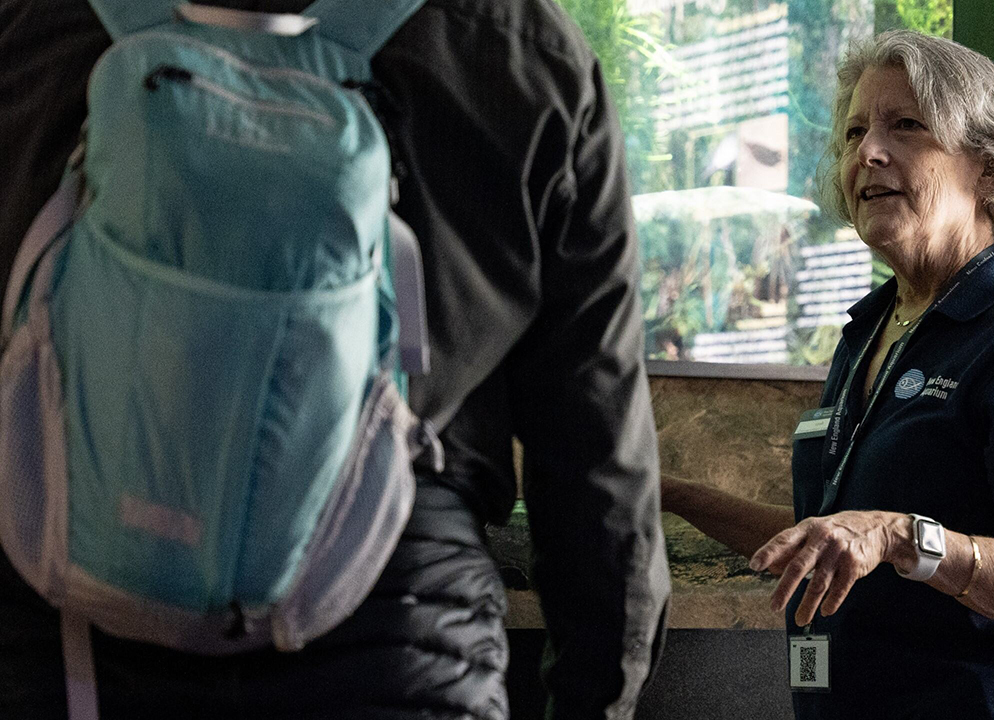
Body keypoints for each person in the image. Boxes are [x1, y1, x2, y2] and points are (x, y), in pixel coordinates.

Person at [0, 0, 669, 718]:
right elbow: (598, 467)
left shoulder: (39, 27)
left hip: (72, 639)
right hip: (400, 647)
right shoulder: (522, 50)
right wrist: (600, 699)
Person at [662, 30, 994, 719]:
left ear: (991, 168)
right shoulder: (874, 329)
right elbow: (827, 535)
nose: (868, 153)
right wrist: (667, 493)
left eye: (905, 125)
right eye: (854, 134)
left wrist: (898, 535)